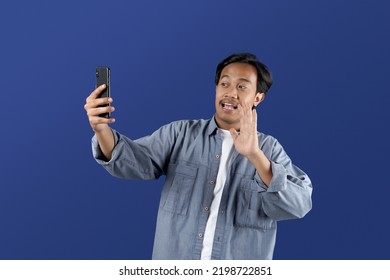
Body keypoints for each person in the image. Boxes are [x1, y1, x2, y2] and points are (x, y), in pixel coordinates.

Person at [84, 53, 313, 260]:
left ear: (258, 98)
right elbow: (133, 162)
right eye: (224, 83)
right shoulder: (179, 134)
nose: (230, 92)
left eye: (242, 87)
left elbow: (298, 205)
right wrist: (101, 129)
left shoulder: (269, 149)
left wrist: (255, 156)